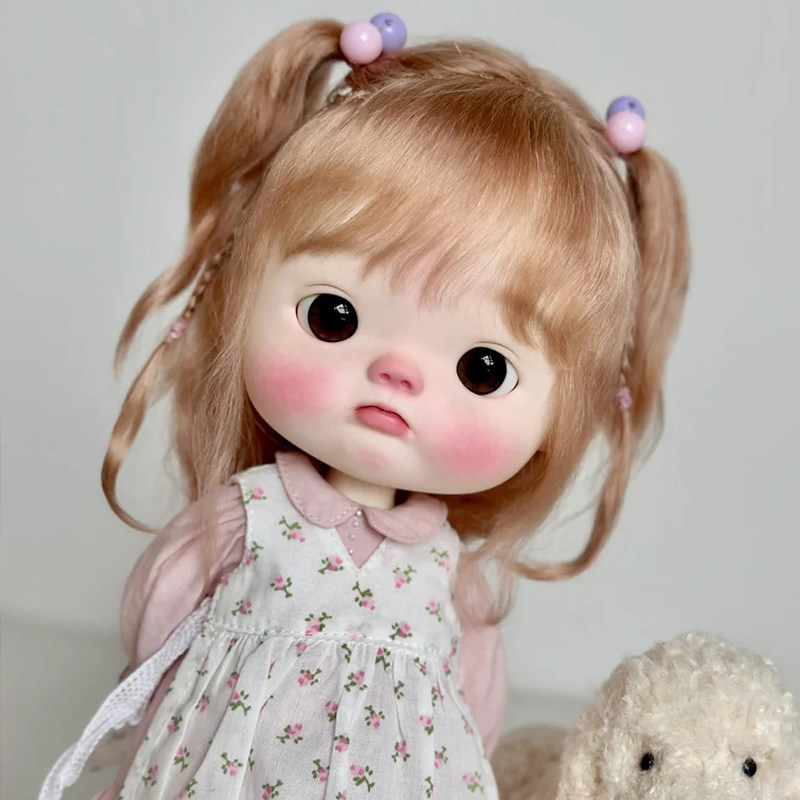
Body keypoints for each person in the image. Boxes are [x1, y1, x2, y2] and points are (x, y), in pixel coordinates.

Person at [39, 12, 689, 800]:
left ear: (563, 417)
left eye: (482, 369)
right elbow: (155, 628)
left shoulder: (447, 572)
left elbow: (472, 711)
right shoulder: (253, 518)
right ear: (244, 289)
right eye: (333, 317)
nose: (396, 374)